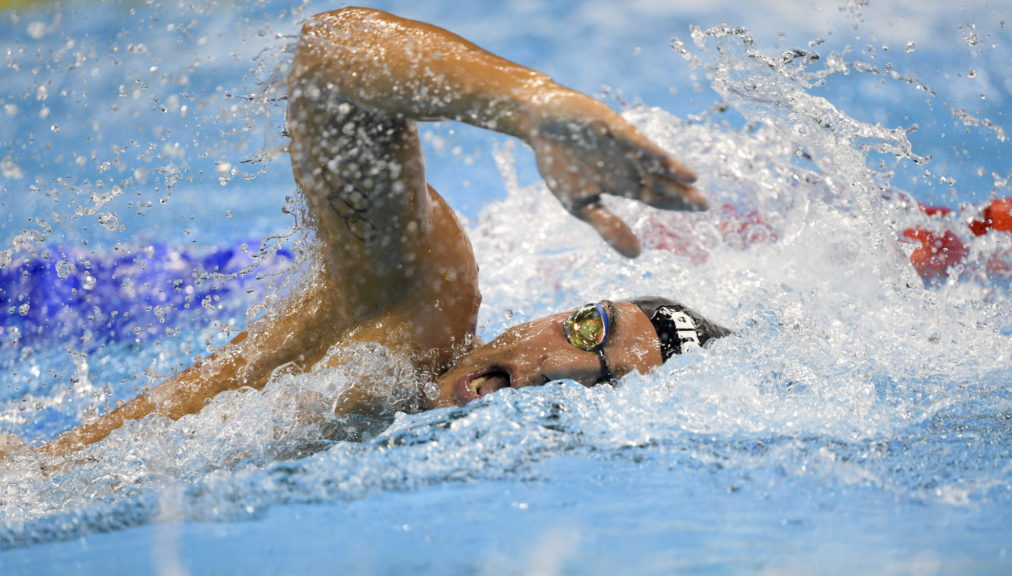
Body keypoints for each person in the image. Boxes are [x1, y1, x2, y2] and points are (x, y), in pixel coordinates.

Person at [31, 7, 730, 458]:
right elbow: (331, 61)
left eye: (597, 389)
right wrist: (533, 107)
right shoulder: (421, 321)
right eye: (587, 330)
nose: (549, 373)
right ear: (558, 311)